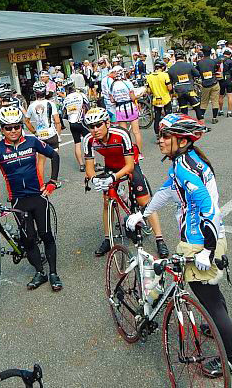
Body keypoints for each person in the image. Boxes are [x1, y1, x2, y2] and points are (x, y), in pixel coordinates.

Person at [126, 113, 232, 377]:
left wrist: (208, 250)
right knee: (212, 295)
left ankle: (231, 361)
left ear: (183, 139)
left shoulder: (186, 167)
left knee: (210, 301)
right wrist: (142, 214)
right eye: (160, 135)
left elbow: (209, 209)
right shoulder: (183, 162)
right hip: (202, 240)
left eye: (166, 136)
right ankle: (214, 327)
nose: (160, 141)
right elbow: (166, 192)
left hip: (200, 243)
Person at [0, 106, 62, 291]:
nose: (13, 130)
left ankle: (54, 273)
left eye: (17, 126)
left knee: (46, 235)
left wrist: (52, 182)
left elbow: (54, 156)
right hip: (18, 202)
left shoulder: (32, 142)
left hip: (38, 197)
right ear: (1, 128)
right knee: (29, 239)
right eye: (8, 128)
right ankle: (40, 272)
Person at [82, 107, 168, 258]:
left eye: (98, 125)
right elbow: (89, 169)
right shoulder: (88, 140)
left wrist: (113, 178)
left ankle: (159, 239)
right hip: (111, 166)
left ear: (107, 123)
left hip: (129, 163)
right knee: (107, 201)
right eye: (91, 126)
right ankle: (108, 239)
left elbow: (129, 166)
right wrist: (95, 179)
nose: (95, 129)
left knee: (144, 201)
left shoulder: (121, 134)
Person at [26, 81, 63, 182]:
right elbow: (57, 121)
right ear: (45, 91)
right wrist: (58, 135)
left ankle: (40, 183)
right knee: (54, 158)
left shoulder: (31, 106)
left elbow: (27, 121)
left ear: (35, 92)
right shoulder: (51, 104)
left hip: (40, 136)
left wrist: (34, 132)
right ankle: (54, 181)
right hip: (51, 134)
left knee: (41, 161)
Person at [108, 66, 143, 156]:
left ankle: (128, 152)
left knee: (124, 133)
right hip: (131, 108)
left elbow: (112, 100)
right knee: (136, 132)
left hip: (120, 109)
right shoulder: (128, 83)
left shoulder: (112, 85)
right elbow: (133, 97)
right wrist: (139, 95)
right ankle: (139, 153)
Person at [61, 78, 91, 171]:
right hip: (81, 121)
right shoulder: (80, 95)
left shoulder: (65, 99)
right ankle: (92, 163)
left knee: (77, 143)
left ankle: (81, 165)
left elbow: (63, 113)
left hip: (72, 123)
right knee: (89, 142)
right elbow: (88, 106)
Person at [167, 49, 203, 120]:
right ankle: (202, 125)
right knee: (197, 108)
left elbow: (170, 83)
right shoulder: (189, 65)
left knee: (183, 110)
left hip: (179, 92)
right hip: (190, 90)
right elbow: (197, 74)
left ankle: (186, 126)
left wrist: (171, 93)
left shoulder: (171, 69)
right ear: (183, 57)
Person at [146, 59, 173, 135]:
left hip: (156, 100)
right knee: (168, 117)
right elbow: (169, 88)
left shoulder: (149, 76)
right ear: (163, 67)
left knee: (157, 118)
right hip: (166, 99)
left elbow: (148, 90)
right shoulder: (165, 75)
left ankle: (157, 134)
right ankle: (168, 133)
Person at [195, 46, 221, 124]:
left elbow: (197, 72)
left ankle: (201, 117)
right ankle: (214, 117)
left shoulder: (199, 62)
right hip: (214, 83)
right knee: (215, 101)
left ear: (203, 53)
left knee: (203, 102)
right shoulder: (214, 62)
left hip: (205, 84)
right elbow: (217, 69)